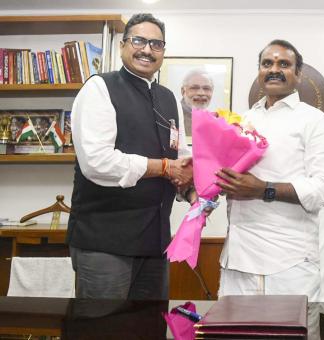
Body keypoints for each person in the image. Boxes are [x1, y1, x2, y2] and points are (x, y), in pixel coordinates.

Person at [66, 13, 193, 300]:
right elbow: (97, 162)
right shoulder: (100, 87)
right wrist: (162, 167)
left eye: (156, 44)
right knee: (103, 329)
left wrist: (192, 190)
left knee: (148, 328)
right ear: (123, 45)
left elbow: (180, 158)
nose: (147, 50)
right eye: (139, 40)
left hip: (156, 242)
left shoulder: (168, 98)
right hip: (105, 244)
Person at [216, 39, 324, 303]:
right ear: (259, 71)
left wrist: (264, 189)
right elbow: (222, 174)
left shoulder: (314, 120)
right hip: (237, 260)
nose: (274, 69)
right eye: (267, 63)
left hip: (289, 263)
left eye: (284, 64)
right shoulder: (243, 120)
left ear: (297, 75)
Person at [180, 69, 214, 136]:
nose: (201, 93)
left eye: (206, 88)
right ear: (183, 91)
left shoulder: (215, 120)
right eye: (194, 88)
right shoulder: (174, 118)